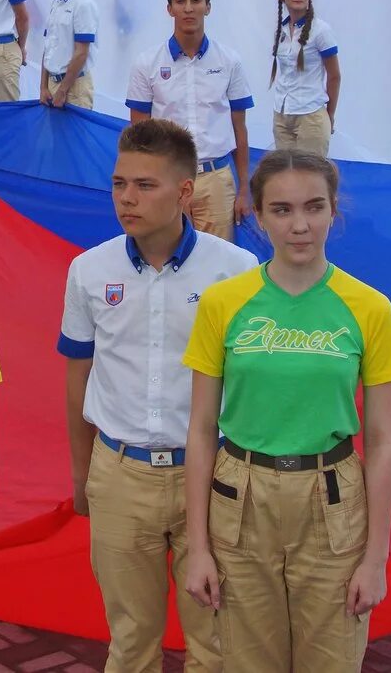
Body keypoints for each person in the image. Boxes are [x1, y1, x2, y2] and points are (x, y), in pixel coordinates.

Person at [183, 151, 391, 672]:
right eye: (281, 210)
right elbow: (198, 431)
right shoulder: (223, 303)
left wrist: (376, 559)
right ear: (257, 217)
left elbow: (382, 440)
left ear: (335, 213)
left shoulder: (369, 307)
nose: (300, 225)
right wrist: (197, 549)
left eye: (314, 207)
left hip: (332, 503)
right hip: (239, 499)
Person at [58, 118, 256, 672]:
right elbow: (78, 375)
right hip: (119, 475)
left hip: (214, 476)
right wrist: (83, 475)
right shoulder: (88, 270)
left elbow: (249, 386)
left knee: (216, 644)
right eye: (120, 183)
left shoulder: (237, 273)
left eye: (146, 185)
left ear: (185, 191)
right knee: (130, 642)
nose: (128, 198)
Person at [127, 0, 253, 243]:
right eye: (180, 0)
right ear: (169, 8)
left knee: (220, 264)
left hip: (217, 179)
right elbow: (138, 133)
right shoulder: (146, 62)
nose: (188, 8)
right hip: (167, 177)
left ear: (208, 7)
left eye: (196, 0)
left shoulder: (229, 60)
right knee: (170, 256)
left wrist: (244, 188)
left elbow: (239, 127)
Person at [269, 0, 340, 156]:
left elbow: (334, 76)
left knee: (311, 178)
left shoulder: (321, 30)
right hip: (282, 114)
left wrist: (329, 114)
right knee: (285, 177)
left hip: (310, 114)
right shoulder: (281, 29)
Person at [40, 0, 97, 111]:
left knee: (75, 136)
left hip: (74, 86)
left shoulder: (83, 4)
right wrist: (43, 87)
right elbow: (48, 47)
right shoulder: (56, 2)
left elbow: (82, 52)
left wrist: (63, 90)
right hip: (53, 83)